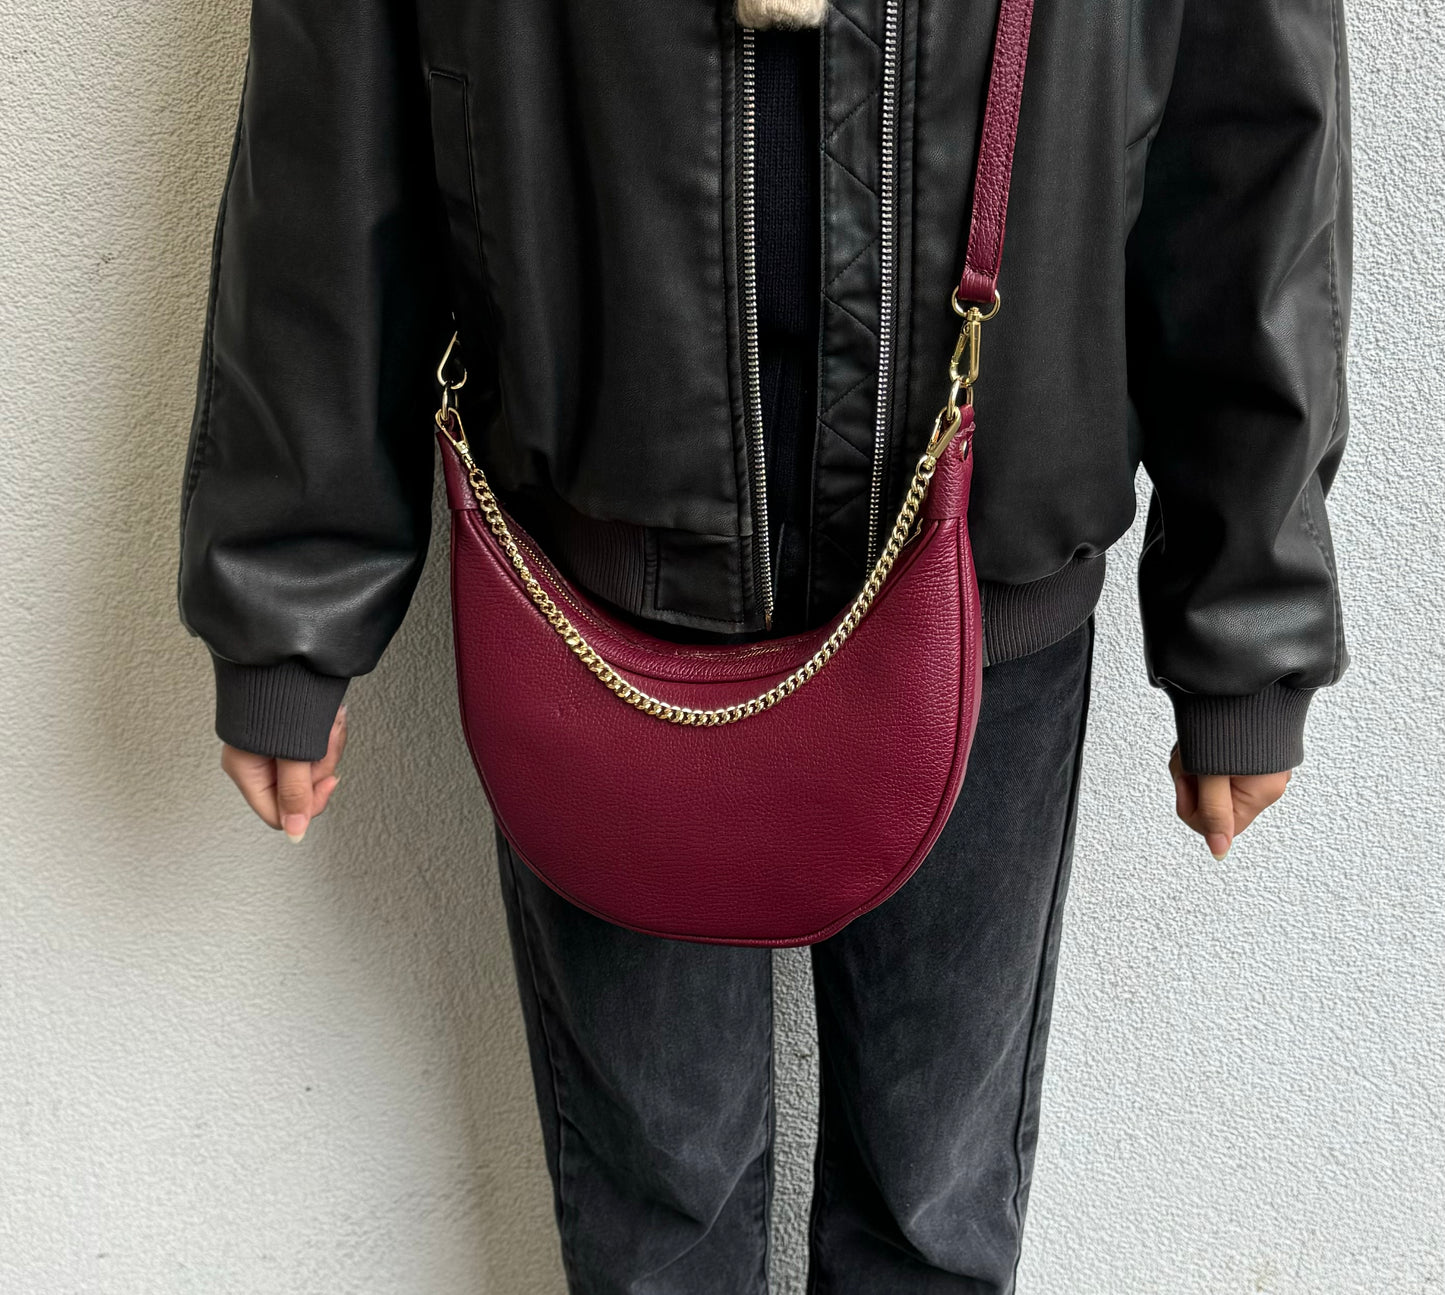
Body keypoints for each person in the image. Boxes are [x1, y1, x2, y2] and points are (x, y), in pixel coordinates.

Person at [177, 0, 1350, 1289]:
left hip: (988, 599)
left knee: (932, 1210)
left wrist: (1247, 616)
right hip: (599, 608)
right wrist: (290, 595)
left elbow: (1253, 141)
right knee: (654, 1216)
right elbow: (328, 124)